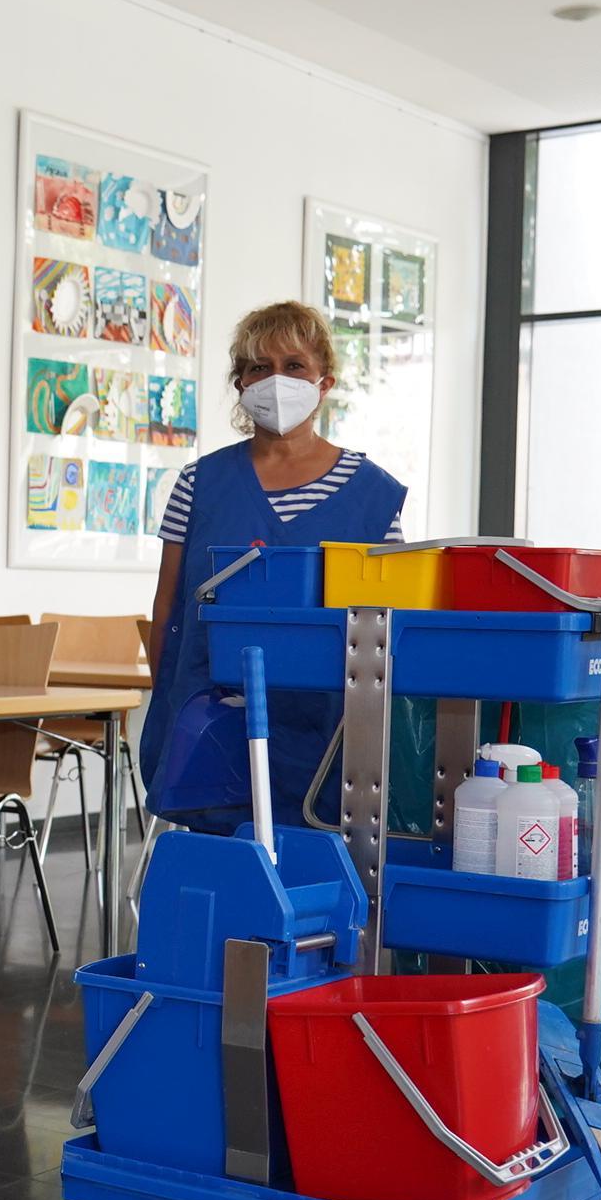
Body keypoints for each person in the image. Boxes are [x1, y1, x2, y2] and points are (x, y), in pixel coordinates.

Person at [139, 301, 405, 826]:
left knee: (317, 876)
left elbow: (389, 619)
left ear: (324, 382)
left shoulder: (371, 495)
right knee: (221, 874)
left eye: (294, 366)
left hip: (331, 737)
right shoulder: (198, 485)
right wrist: (173, 706)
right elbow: (167, 606)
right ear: (239, 383)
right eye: (259, 367)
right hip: (214, 727)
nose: (275, 380)